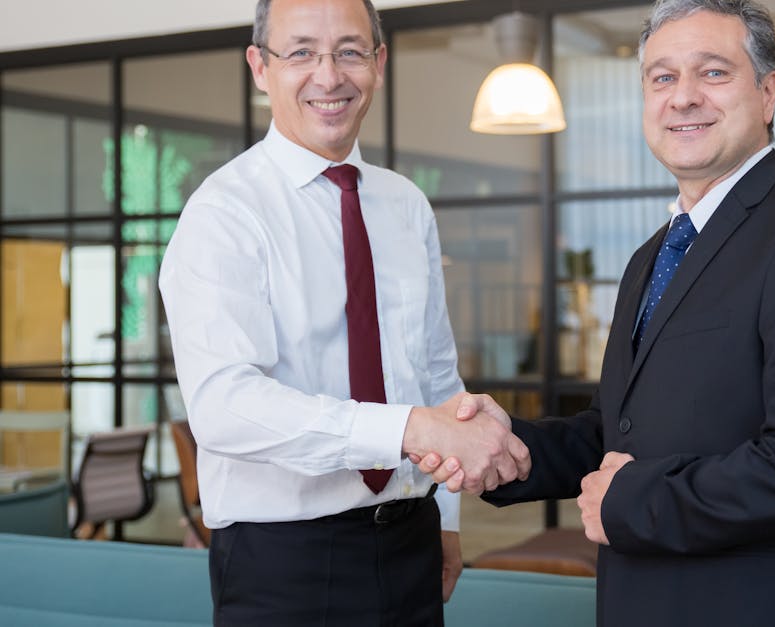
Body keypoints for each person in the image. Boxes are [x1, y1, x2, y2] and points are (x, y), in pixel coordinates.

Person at [420, 0, 775, 625]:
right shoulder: (654, 254)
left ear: (768, 92)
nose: (683, 97)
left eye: (713, 73)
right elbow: (619, 432)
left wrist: (629, 502)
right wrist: (514, 451)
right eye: (662, 77)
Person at [158, 0, 529, 624]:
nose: (329, 76)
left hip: (412, 542)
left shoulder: (406, 205)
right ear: (259, 66)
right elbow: (224, 408)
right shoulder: (223, 213)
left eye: (350, 51)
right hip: (286, 563)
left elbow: (436, 377)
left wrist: (445, 517)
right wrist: (407, 429)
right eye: (301, 51)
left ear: (379, 64)